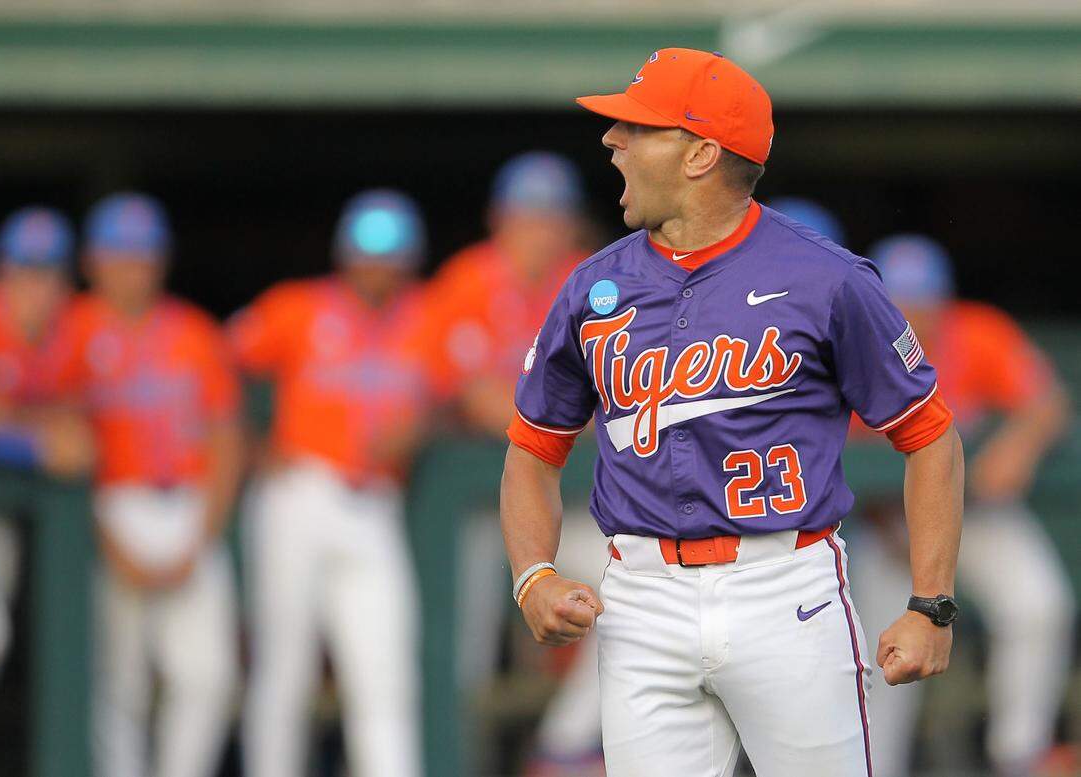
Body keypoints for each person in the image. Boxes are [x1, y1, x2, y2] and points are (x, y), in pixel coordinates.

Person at [500, 48, 965, 776]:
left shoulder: (827, 278)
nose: (613, 141)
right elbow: (532, 448)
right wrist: (533, 572)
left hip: (784, 586)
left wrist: (931, 603)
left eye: (638, 128)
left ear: (701, 154)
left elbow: (930, 435)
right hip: (642, 593)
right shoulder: (593, 288)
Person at [847, 234, 1075, 777]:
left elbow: (1048, 404)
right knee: (884, 647)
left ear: (944, 302)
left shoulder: (976, 330)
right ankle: (877, 767)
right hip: (889, 528)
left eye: (924, 303)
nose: (914, 316)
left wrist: (1018, 442)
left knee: (1039, 605)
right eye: (901, 303)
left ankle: (1018, 755)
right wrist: (895, 535)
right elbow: (845, 466)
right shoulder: (854, 345)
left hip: (978, 517)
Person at [232, 190, 431, 777]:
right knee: (284, 669)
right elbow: (214, 365)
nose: (376, 268)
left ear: (408, 260)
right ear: (345, 255)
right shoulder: (298, 307)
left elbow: (472, 389)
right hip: (300, 496)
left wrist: (423, 425)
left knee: (386, 672)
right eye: (366, 254)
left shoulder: (427, 315)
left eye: (389, 256)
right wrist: (250, 445)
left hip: (375, 505)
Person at [50, 192, 243, 777]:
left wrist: (201, 537)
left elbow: (226, 439)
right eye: (120, 255)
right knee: (117, 682)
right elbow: (54, 437)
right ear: (93, 261)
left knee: (209, 675)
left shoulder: (192, 331)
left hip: (188, 506)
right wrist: (107, 541)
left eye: (143, 255)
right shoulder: (68, 332)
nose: (133, 268)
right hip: (111, 506)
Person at [428, 151, 606, 776]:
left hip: (566, 504)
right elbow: (469, 397)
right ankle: (457, 762)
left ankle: (562, 749)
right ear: (499, 219)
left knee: (623, 602)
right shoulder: (464, 280)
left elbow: (608, 394)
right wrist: (557, 415)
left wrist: (549, 413)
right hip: (470, 511)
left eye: (551, 217)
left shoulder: (589, 280)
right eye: (527, 216)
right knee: (460, 650)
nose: (539, 230)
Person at [0, 206, 92, 777]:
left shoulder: (71, 336)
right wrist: (30, 439)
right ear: (1, 272)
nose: (37, 286)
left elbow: (78, 428)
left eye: (49, 272)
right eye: (25, 270)